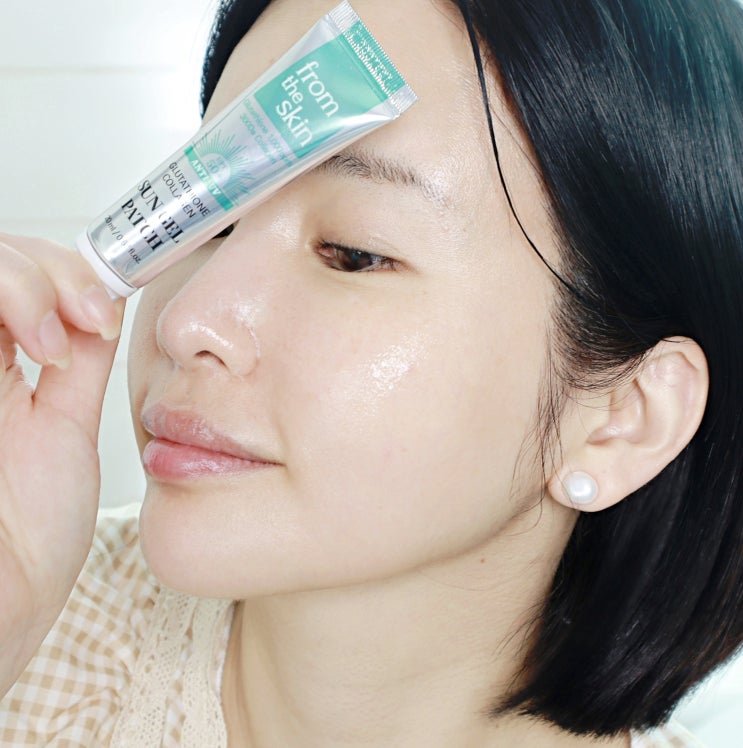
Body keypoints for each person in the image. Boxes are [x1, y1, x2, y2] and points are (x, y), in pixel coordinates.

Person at [0, 0, 741, 745]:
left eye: (354, 253)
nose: (185, 320)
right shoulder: (37, 636)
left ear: (624, 417)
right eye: (208, 217)